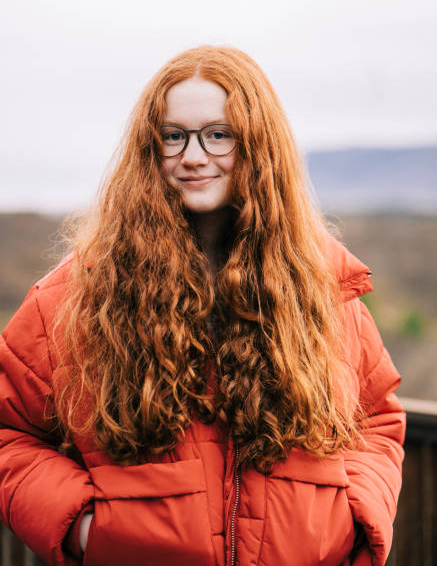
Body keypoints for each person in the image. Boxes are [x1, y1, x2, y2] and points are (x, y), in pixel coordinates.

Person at [0, 46, 405, 566]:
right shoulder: (75, 297)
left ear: (257, 145)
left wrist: (351, 516)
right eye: (174, 136)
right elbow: (11, 434)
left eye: (218, 134)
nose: (193, 155)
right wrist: (87, 529)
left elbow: (376, 421)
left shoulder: (323, 288)